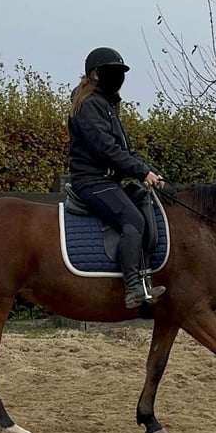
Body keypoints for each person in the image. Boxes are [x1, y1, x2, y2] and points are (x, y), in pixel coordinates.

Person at [67, 46, 166, 309]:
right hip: (92, 181)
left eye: (121, 73)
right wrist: (141, 172)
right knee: (131, 219)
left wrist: (150, 172)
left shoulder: (107, 105)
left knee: (145, 203)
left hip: (109, 181)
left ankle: (146, 277)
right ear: (96, 74)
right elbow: (105, 149)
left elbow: (124, 150)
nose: (119, 77)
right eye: (114, 72)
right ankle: (133, 287)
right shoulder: (89, 105)